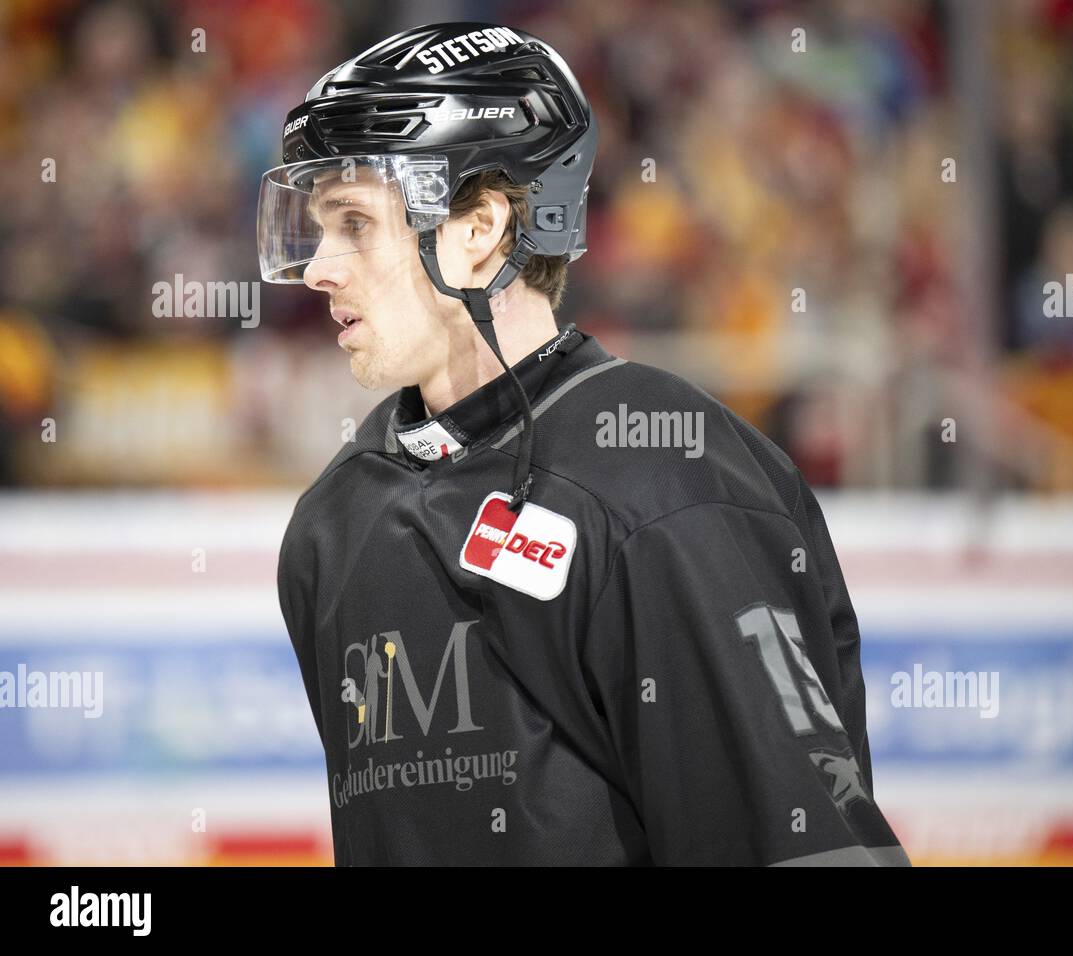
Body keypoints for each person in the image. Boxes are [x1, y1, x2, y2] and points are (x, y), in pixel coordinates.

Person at [262, 20, 909, 866]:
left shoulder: (664, 482)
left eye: (354, 223)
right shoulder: (331, 526)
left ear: (480, 228)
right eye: (317, 226)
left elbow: (804, 848)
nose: (318, 266)